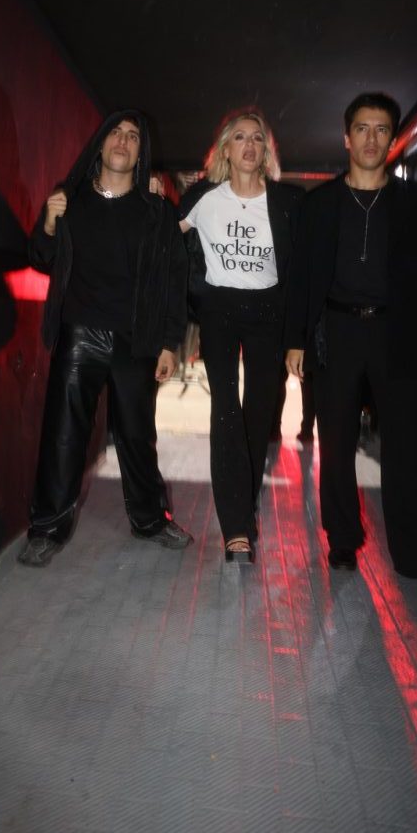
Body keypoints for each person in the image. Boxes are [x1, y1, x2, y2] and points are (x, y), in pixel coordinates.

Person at [286, 92, 417, 595]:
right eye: (362, 128)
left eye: (381, 129)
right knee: (336, 443)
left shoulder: (415, 202)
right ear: (347, 138)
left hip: (397, 333)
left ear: (392, 139)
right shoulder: (318, 205)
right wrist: (296, 339)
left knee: (406, 448)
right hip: (337, 331)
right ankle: (342, 539)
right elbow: (302, 277)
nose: (371, 138)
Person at [18, 109, 193, 567]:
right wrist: (49, 223)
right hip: (80, 333)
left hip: (136, 339)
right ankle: (46, 529)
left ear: (140, 152)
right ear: (100, 144)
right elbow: (40, 258)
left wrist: (170, 342)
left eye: (133, 136)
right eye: (115, 132)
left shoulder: (156, 212)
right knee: (64, 434)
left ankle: (150, 520)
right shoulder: (70, 200)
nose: (123, 141)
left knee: (137, 435)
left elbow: (174, 279)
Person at [179, 108, 303, 562]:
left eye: (257, 138)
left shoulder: (287, 202)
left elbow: (301, 271)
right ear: (225, 150)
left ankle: (243, 507)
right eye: (240, 138)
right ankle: (236, 526)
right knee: (226, 411)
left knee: (259, 413)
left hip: (269, 311)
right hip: (220, 311)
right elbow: (162, 243)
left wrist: (298, 335)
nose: (249, 146)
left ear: (265, 151)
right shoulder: (203, 198)